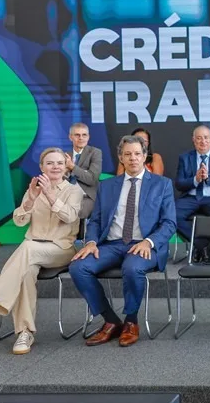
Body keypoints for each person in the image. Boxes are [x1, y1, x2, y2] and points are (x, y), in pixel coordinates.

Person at [69, 135, 176, 348]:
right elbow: (96, 220)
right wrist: (90, 242)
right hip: (111, 244)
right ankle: (110, 320)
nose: (133, 158)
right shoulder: (107, 186)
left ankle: (131, 321)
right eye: (128, 154)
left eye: (137, 153)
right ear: (121, 157)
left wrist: (149, 242)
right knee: (78, 267)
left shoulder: (162, 184)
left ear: (145, 156)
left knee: (132, 267)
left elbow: (169, 223)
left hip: (144, 244)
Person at [0, 148, 83, 354]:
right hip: (32, 252)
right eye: (50, 163)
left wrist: (51, 196)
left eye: (59, 163)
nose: (55, 166)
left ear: (65, 167)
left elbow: (69, 217)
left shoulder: (74, 191)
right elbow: (19, 220)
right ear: (41, 167)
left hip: (61, 249)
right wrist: (31, 198)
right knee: (26, 272)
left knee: (27, 247)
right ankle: (25, 333)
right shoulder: (34, 188)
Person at [174, 125, 210, 263]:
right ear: (193, 140)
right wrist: (195, 179)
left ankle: (201, 247)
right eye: (199, 138)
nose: (202, 141)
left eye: (206, 138)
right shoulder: (185, 158)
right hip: (191, 197)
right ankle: (202, 244)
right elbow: (179, 183)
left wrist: (208, 177)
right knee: (171, 215)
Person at [65, 122, 102, 219]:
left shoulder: (95, 153)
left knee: (77, 214)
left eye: (84, 135)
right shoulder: (65, 155)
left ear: (88, 137)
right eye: (77, 135)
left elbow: (92, 179)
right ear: (70, 137)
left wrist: (72, 167)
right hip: (66, 195)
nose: (81, 138)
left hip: (86, 196)